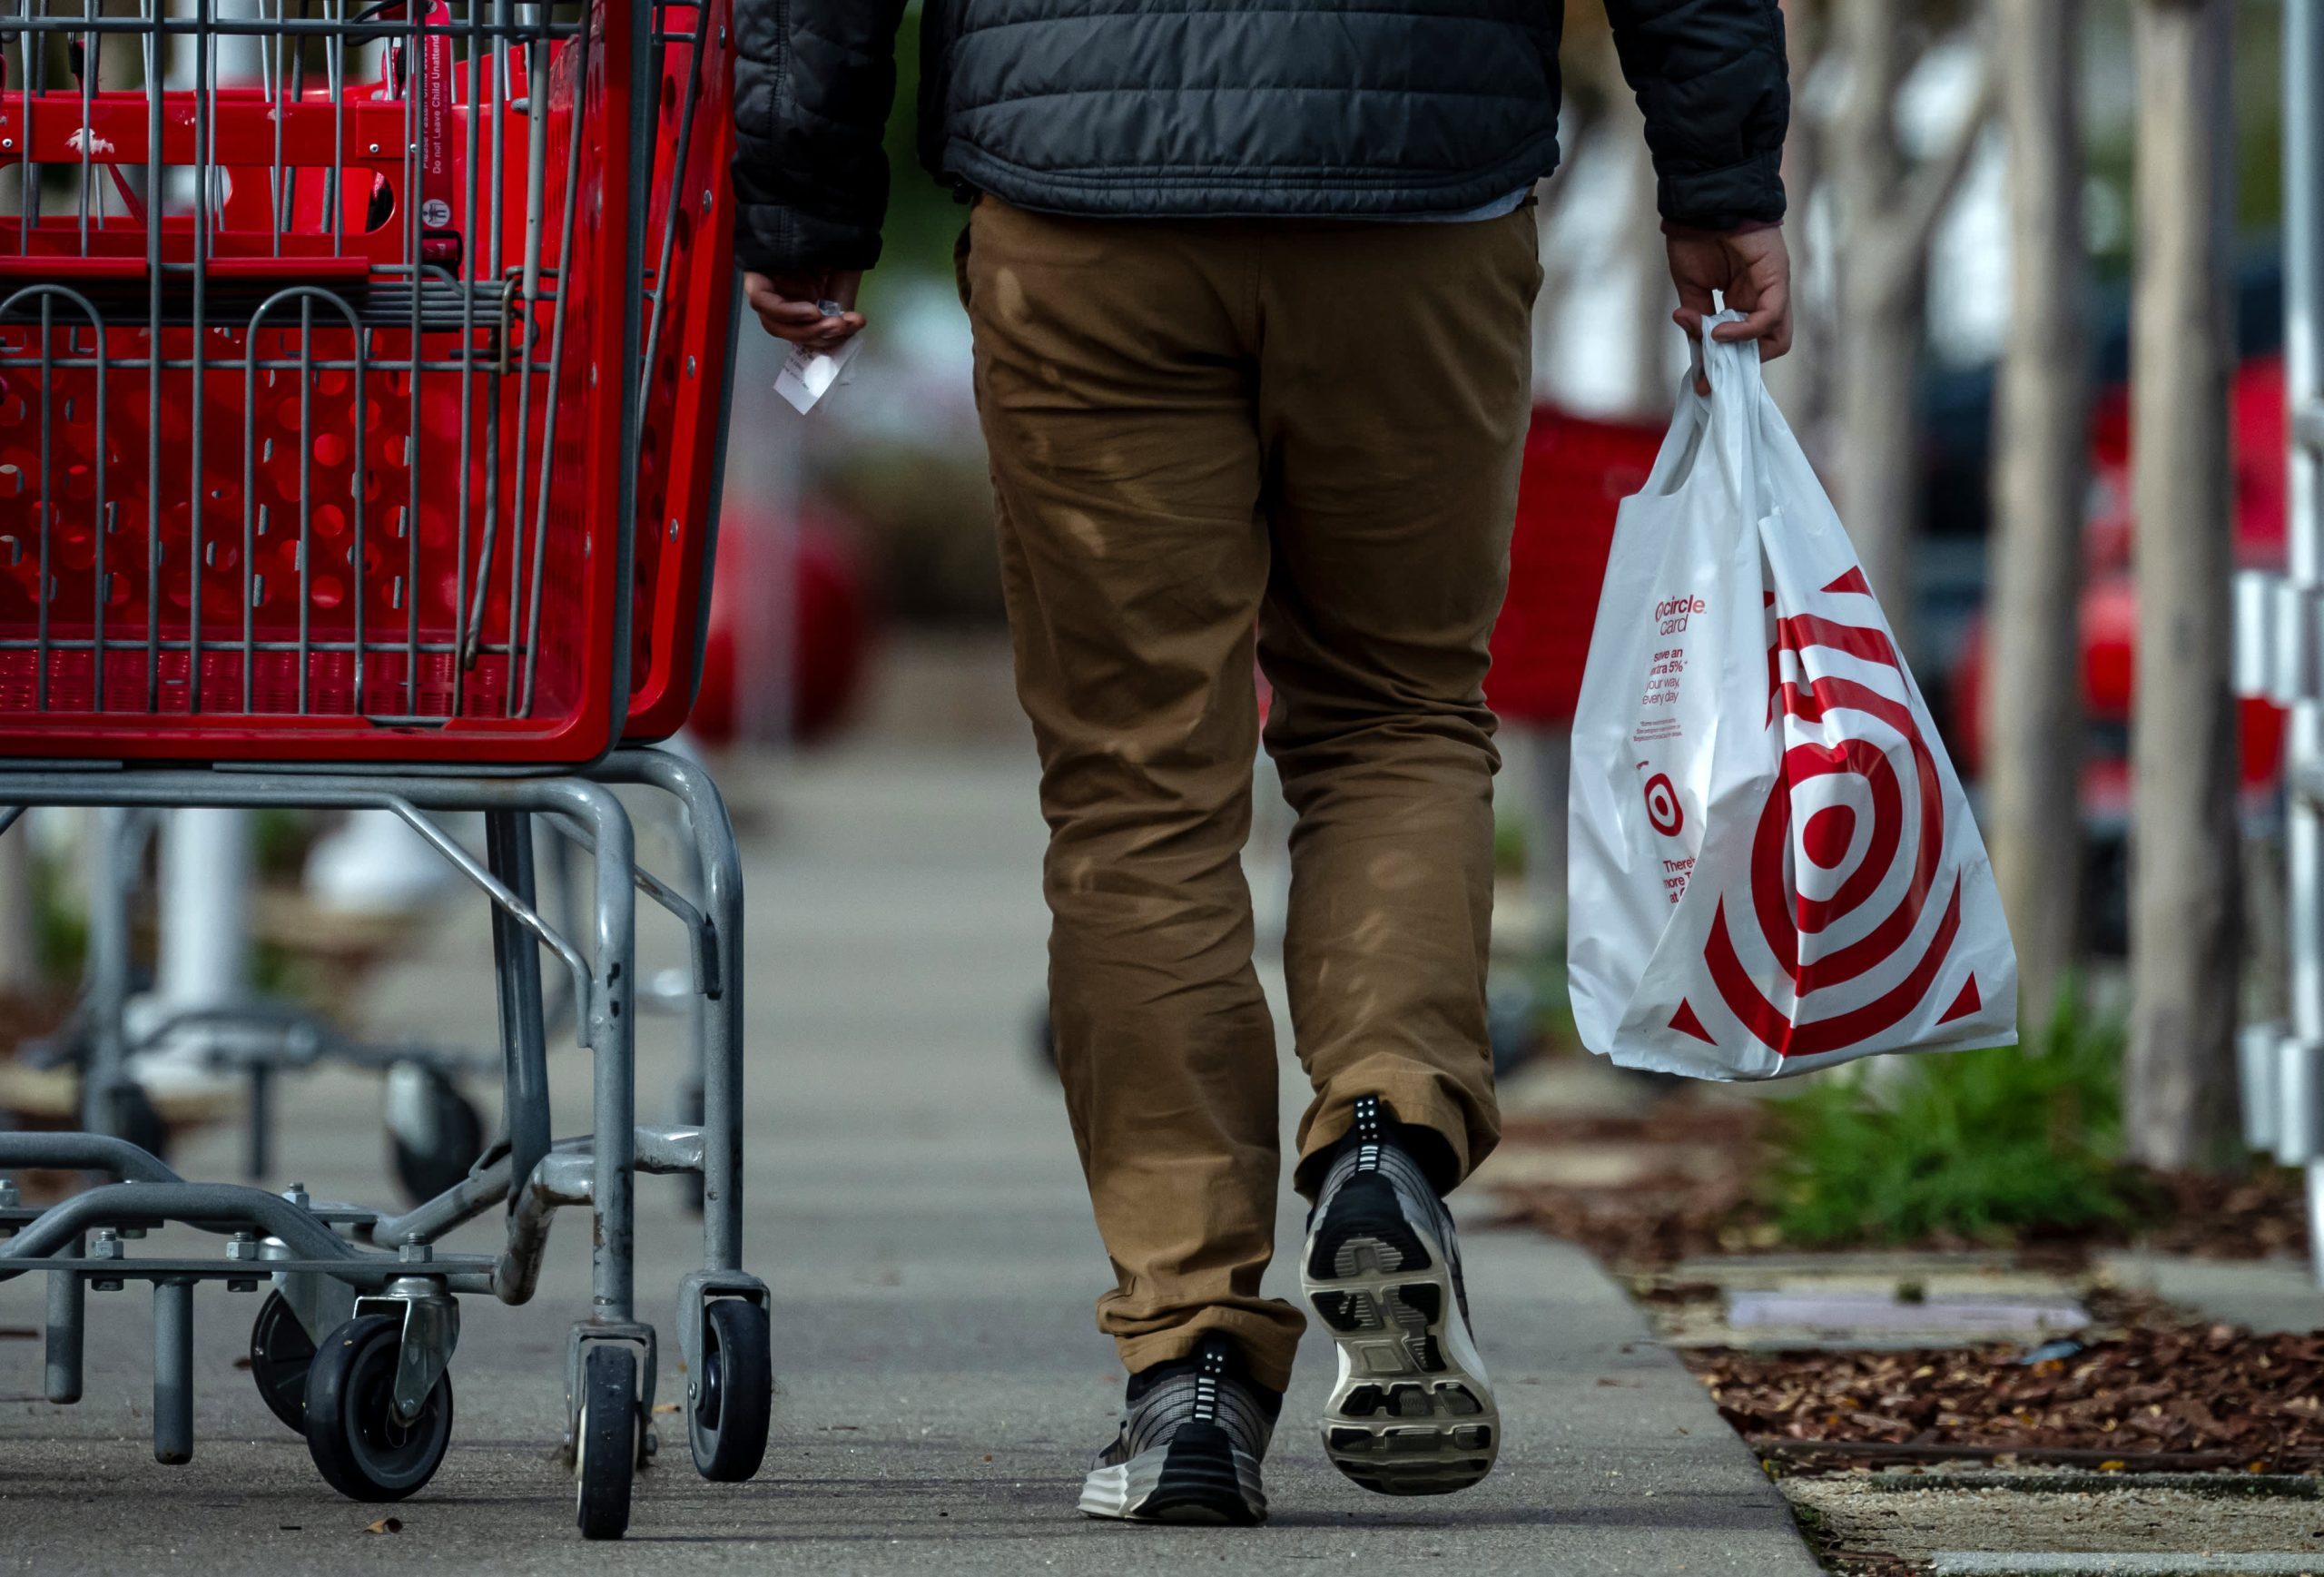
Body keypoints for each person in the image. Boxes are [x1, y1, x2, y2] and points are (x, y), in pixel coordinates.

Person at [733, 0, 1794, 1525]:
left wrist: (806, 197)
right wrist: (1722, 179)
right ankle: (1383, 1129)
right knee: (1394, 715)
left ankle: (1191, 1368)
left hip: (1082, 192)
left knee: (1136, 787)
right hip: (1415, 176)